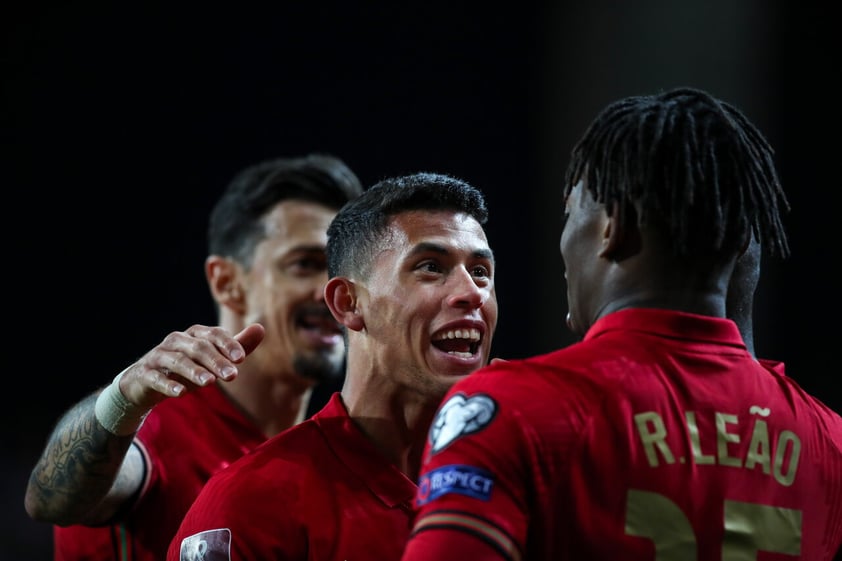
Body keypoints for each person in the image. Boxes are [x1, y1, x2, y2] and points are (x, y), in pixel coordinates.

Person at [401, 87, 842, 560]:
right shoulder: (828, 440)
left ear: (613, 227)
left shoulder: (508, 409)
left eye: (572, 213)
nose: (565, 241)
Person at [24, 153, 365, 561]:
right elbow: (50, 501)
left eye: (340, 269)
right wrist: (122, 399)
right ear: (227, 282)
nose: (331, 292)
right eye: (305, 264)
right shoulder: (154, 425)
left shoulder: (328, 456)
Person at [166, 171, 499, 561]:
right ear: (348, 303)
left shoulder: (515, 482)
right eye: (430, 267)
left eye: (480, 272)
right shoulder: (252, 503)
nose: (471, 293)